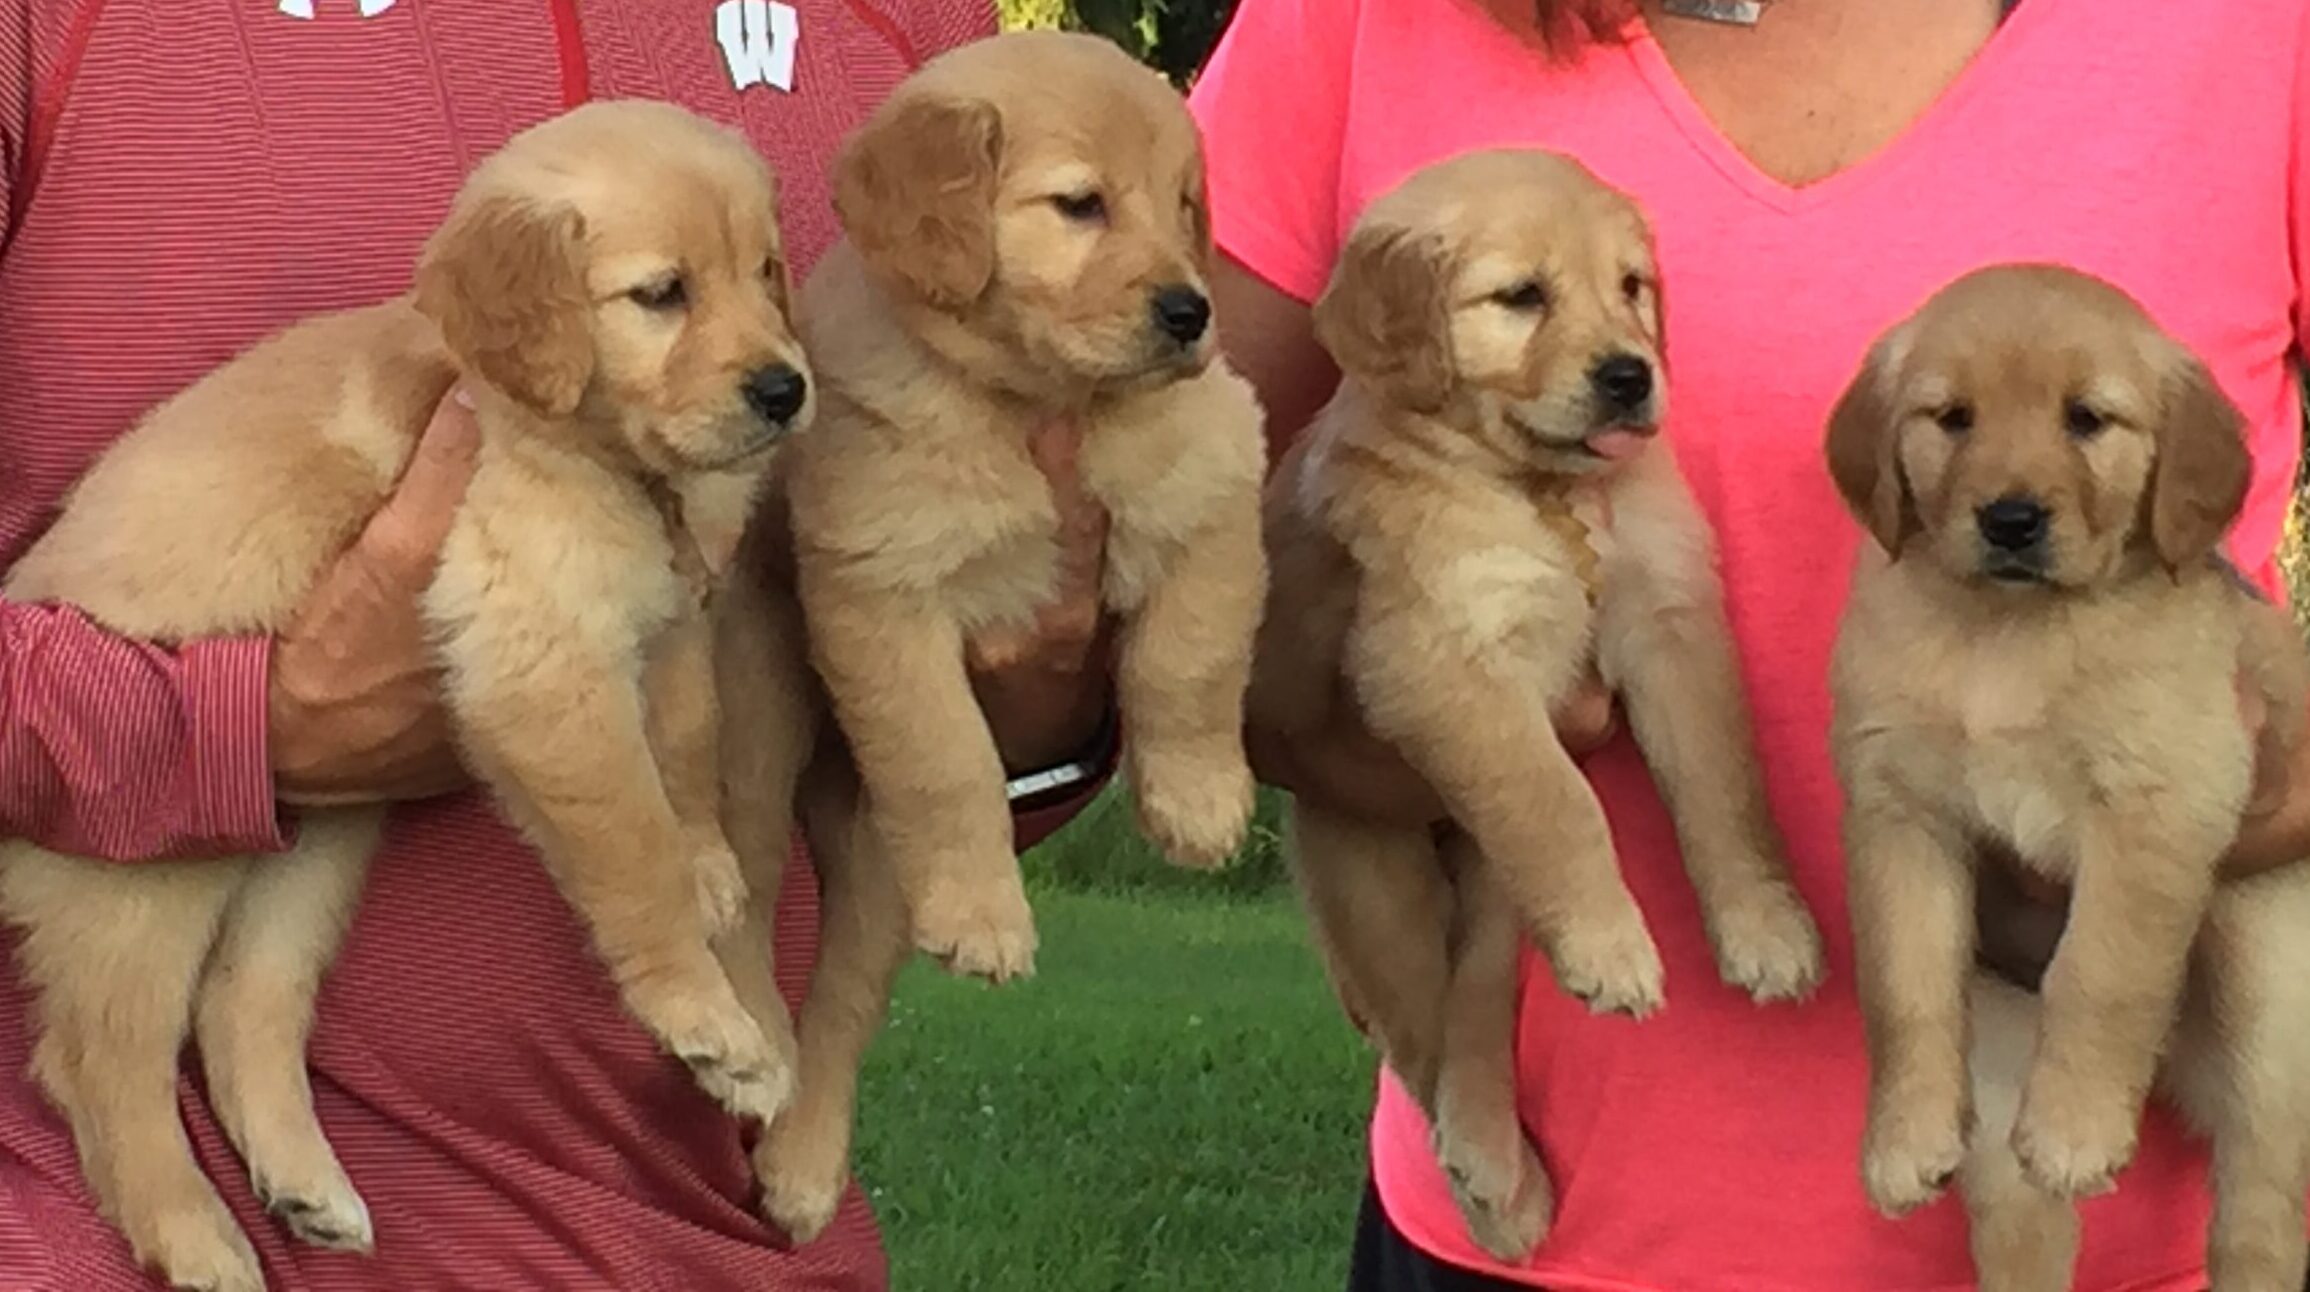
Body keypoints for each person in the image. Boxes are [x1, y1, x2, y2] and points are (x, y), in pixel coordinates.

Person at [1190, 0, 2310, 1288]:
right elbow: (1167, 538)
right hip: (1538, 1229)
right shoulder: (1358, 23)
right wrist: (1352, 714)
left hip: (2149, 1237)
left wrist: (2242, 781)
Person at [0, 3, 1121, 1287]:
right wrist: (239, 725)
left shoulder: (920, 40)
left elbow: (974, 658)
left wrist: (1042, 709)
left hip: (730, 1231)